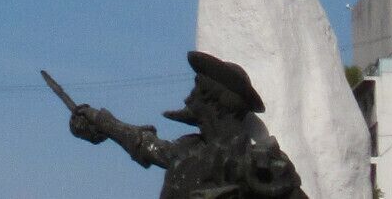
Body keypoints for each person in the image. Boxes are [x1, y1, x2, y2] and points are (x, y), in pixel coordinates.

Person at [67, 51, 304, 199]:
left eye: (195, 91)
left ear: (213, 100)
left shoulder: (261, 162)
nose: (187, 99)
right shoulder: (187, 149)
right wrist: (100, 121)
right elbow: (145, 144)